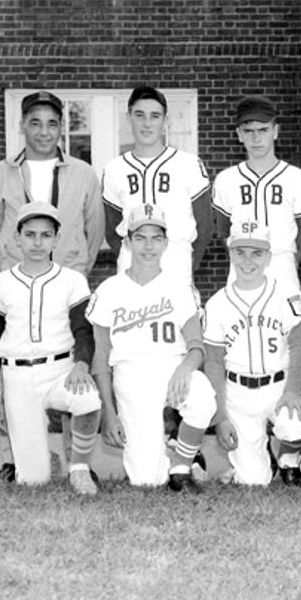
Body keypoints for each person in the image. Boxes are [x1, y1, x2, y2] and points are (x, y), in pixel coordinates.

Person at [0, 89, 104, 483]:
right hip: (16, 284)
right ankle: (21, 456)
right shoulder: (0, 174)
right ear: (22, 126)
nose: (44, 131)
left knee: (72, 368)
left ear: (62, 127)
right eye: (35, 122)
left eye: (52, 123)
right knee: (12, 366)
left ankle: (76, 463)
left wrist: (74, 270)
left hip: (64, 282)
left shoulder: (82, 173)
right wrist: (10, 271)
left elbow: (94, 228)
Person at [88, 204, 216, 491]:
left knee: (203, 396)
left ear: (166, 243)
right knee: (147, 480)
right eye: (140, 237)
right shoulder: (109, 290)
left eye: (156, 238)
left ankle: (182, 465)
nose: (149, 245)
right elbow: (100, 358)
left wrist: (184, 369)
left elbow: (197, 346)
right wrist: (109, 412)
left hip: (172, 370)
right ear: (127, 242)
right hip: (130, 376)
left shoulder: (179, 287)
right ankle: (168, 452)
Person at [0, 201, 101, 494]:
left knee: (88, 400)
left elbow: (83, 330)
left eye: (46, 235)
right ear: (18, 236)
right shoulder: (0, 283)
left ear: (56, 239)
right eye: (30, 234)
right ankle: (44, 459)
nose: (38, 242)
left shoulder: (72, 280)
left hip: (59, 368)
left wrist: (81, 364)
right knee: (34, 481)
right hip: (18, 376)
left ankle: (80, 469)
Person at [204, 219, 301, 486]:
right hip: (238, 391)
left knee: (295, 426)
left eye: (256, 253)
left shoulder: (285, 294)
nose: (247, 260)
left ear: (268, 256)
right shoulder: (217, 303)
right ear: (230, 253)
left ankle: (288, 460)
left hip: (278, 384)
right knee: (253, 482)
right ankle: (261, 461)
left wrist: (293, 390)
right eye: (240, 252)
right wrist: (220, 416)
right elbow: (215, 363)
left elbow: (298, 346)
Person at [102, 86, 213, 287]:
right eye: (139, 115)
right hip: (131, 261)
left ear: (165, 121)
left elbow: (205, 224)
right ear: (128, 118)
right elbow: (111, 229)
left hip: (176, 257)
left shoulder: (188, 164)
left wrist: (189, 260)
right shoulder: (114, 169)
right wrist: (132, 252)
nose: (146, 124)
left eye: (155, 116)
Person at [212, 96, 301, 296]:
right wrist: (244, 257)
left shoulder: (296, 178)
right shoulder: (225, 179)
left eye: (263, 130)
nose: (256, 138)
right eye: (248, 131)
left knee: (289, 324)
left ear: (275, 131)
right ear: (239, 134)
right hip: (242, 268)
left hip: (282, 263)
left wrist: (290, 260)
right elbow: (223, 232)